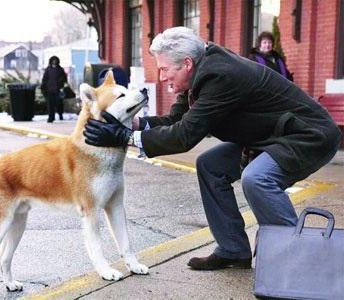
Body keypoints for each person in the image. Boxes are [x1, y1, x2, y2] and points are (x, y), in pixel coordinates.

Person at [83, 27, 341, 271]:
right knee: (210, 166)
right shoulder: (199, 70)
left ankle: (299, 262)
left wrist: (124, 136)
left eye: (164, 69)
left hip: (307, 136)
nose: (161, 78)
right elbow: (176, 121)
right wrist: (131, 123)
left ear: (186, 63)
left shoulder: (220, 75)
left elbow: (184, 136)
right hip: (271, 136)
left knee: (257, 179)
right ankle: (233, 249)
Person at [40, 56, 67, 123]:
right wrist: (43, 86)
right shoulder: (48, 69)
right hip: (50, 89)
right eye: (53, 60)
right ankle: (51, 117)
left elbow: (64, 79)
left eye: (55, 60)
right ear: (51, 61)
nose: (54, 61)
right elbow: (44, 79)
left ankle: (60, 114)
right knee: (50, 104)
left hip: (58, 89)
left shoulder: (60, 69)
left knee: (59, 103)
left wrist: (61, 84)